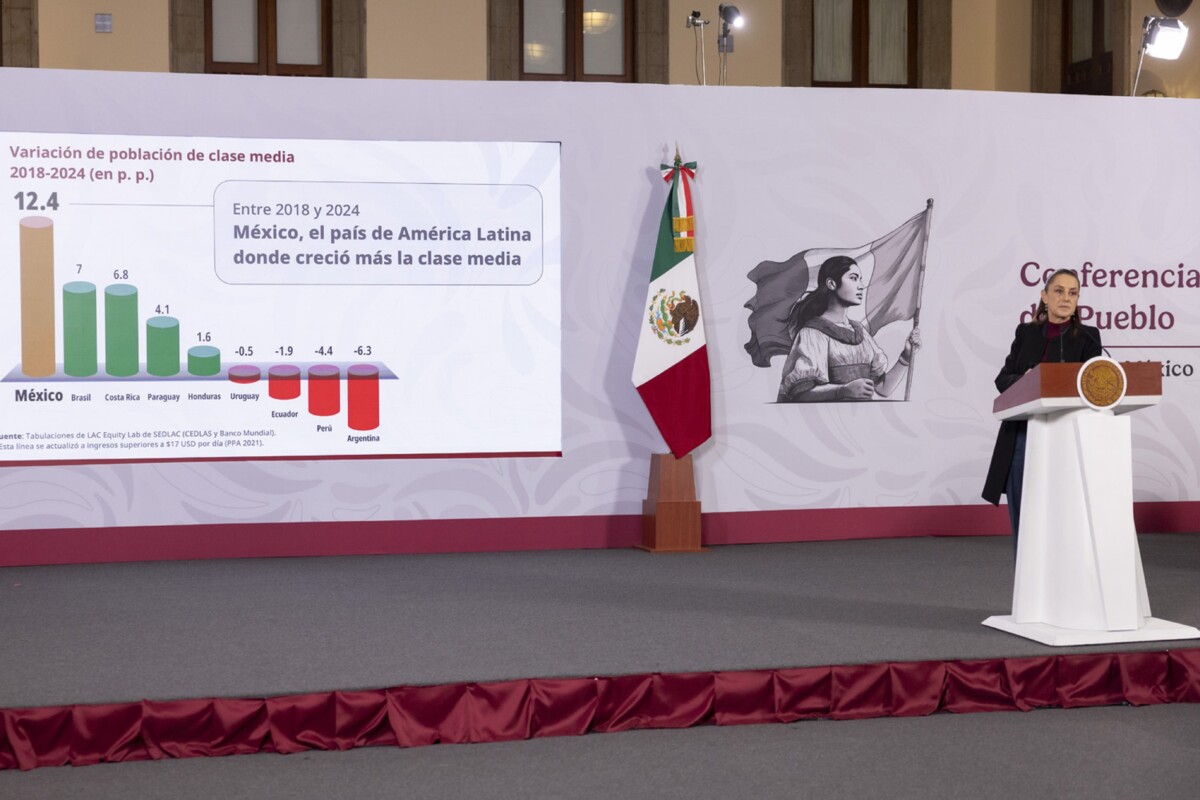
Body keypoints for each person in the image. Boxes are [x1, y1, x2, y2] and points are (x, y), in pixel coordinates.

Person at [982, 268, 1103, 553]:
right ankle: (1025, 581)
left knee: (1062, 519)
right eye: (1059, 291)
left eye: (1073, 293)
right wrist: (1026, 380)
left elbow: (1092, 386)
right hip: (1023, 435)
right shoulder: (1026, 333)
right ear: (1044, 296)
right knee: (1025, 521)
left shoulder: (1089, 337)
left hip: (1066, 435)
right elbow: (1003, 380)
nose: (1066, 298)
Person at [777, 255, 920, 402]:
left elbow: (883, 389)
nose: (861, 286)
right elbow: (800, 395)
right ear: (831, 284)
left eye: (860, 279)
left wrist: (906, 357)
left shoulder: (861, 333)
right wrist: (843, 390)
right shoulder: (812, 333)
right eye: (853, 278)